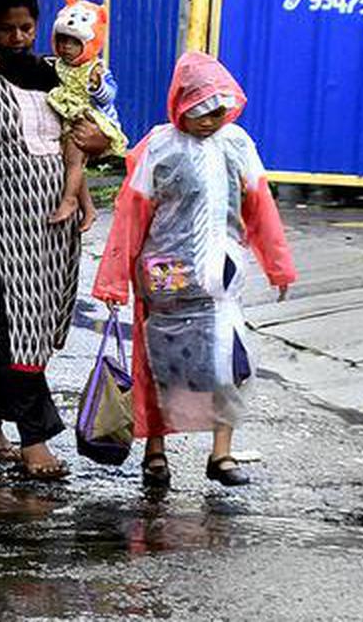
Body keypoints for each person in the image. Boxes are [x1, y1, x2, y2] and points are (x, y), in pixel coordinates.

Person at [92, 51, 297, 487]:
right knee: (158, 367)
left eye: (219, 110)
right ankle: (155, 452)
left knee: (228, 363)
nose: (210, 119)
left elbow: (260, 208)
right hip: (166, 279)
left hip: (219, 283)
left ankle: (220, 454)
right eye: (201, 110)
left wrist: (278, 266)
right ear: (180, 104)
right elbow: (132, 214)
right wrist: (113, 280)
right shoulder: (159, 147)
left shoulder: (237, 145)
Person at [0, 0, 110, 480]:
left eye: (26, 27)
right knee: (18, 322)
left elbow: (83, 136)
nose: (17, 38)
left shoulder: (51, 74)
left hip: (52, 225)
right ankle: (35, 439)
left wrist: (92, 160)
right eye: (5, 29)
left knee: (34, 323)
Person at [46, 0, 129, 228]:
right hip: (70, 118)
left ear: (89, 43)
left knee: (73, 158)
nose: (66, 47)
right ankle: (89, 209)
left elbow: (109, 97)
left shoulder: (95, 68)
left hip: (93, 119)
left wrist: (97, 85)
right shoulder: (57, 66)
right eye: (61, 40)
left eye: (74, 42)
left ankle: (70, 199)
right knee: (72, 162)